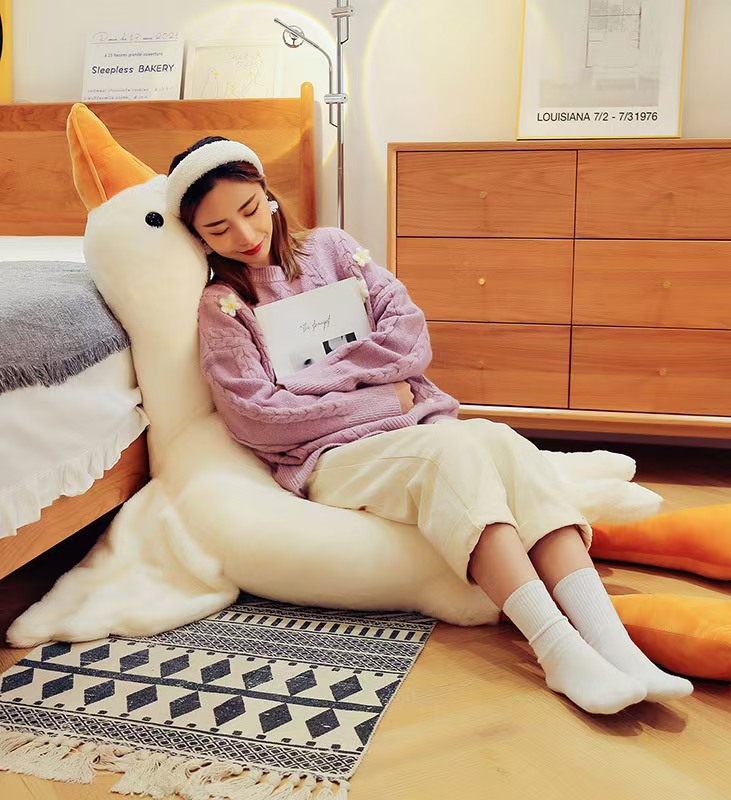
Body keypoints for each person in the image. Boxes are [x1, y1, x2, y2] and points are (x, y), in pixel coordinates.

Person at [166, 137, 693, 715]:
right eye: (218, 229)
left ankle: (613, 642)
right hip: (330, 458)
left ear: (268, 194)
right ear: (198, 238)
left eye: (250, 209)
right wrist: (379, 395)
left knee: (499, 440)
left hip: (414, 424)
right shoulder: (223, 307)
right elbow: (259, 416)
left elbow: (409, 337)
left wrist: (313, 383)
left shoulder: (332, 249)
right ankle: (558, 649)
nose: (245, 235)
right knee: (448, 452)